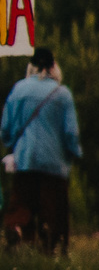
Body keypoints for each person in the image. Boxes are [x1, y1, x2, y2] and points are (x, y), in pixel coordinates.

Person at [2, 48, 79, 254]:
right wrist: (74, 153)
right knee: (52, 210)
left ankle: (17, 230)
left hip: (25, 159)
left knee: (22, 203)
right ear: (54, 67)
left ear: (32, 67)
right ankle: (49, 248)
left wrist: (12, 145)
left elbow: (6, 129)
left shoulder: (18, 89)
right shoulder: (62, 95)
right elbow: (70, 133)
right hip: (54, 165)